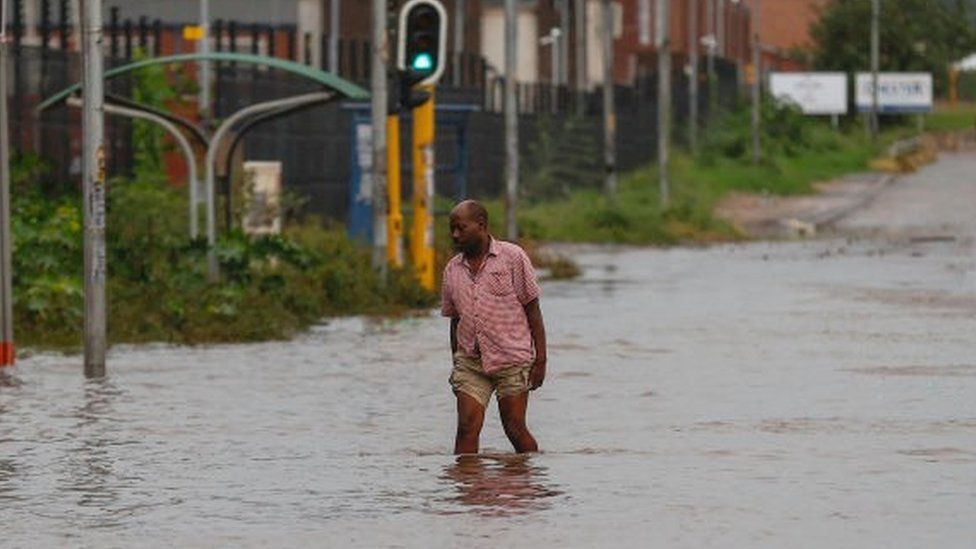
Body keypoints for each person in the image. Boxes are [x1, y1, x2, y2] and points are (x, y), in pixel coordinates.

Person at [440, 200, 547, 454]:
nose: (455, 235)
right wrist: (456, 362)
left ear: (481, 226)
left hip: (512, 359)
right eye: (452, 229)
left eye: (461, 228)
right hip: (471, 363)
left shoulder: (513, 258)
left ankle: (529, 482)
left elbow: (532, 309)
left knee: (514, 428)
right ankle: (467, 489)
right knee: (466, 427)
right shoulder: (452, 269)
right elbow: (455, 320)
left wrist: (541, 360)